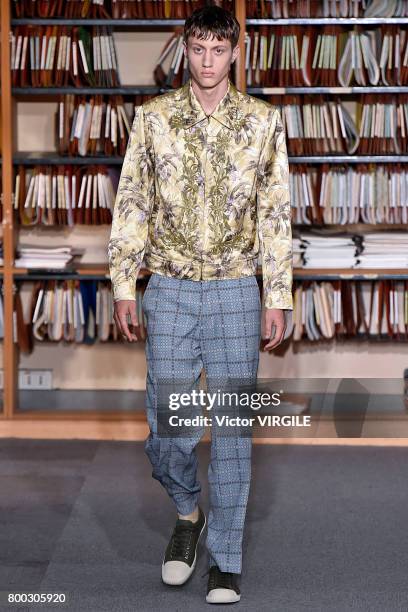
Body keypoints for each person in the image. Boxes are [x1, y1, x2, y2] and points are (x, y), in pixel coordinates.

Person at [108, 5, 293, 605]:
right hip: (170, 288)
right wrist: (123, 285)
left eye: (219, 50)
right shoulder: (154, 120)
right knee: (169, 428)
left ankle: (227, 561)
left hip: (239, 289)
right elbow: (132, 203)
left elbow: (275, 214)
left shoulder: (263, 123)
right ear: (184, 51)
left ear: (236, 53)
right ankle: (188, 513)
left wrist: (278, 294)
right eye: (198, 49)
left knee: (234, 431)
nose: (208, 61)